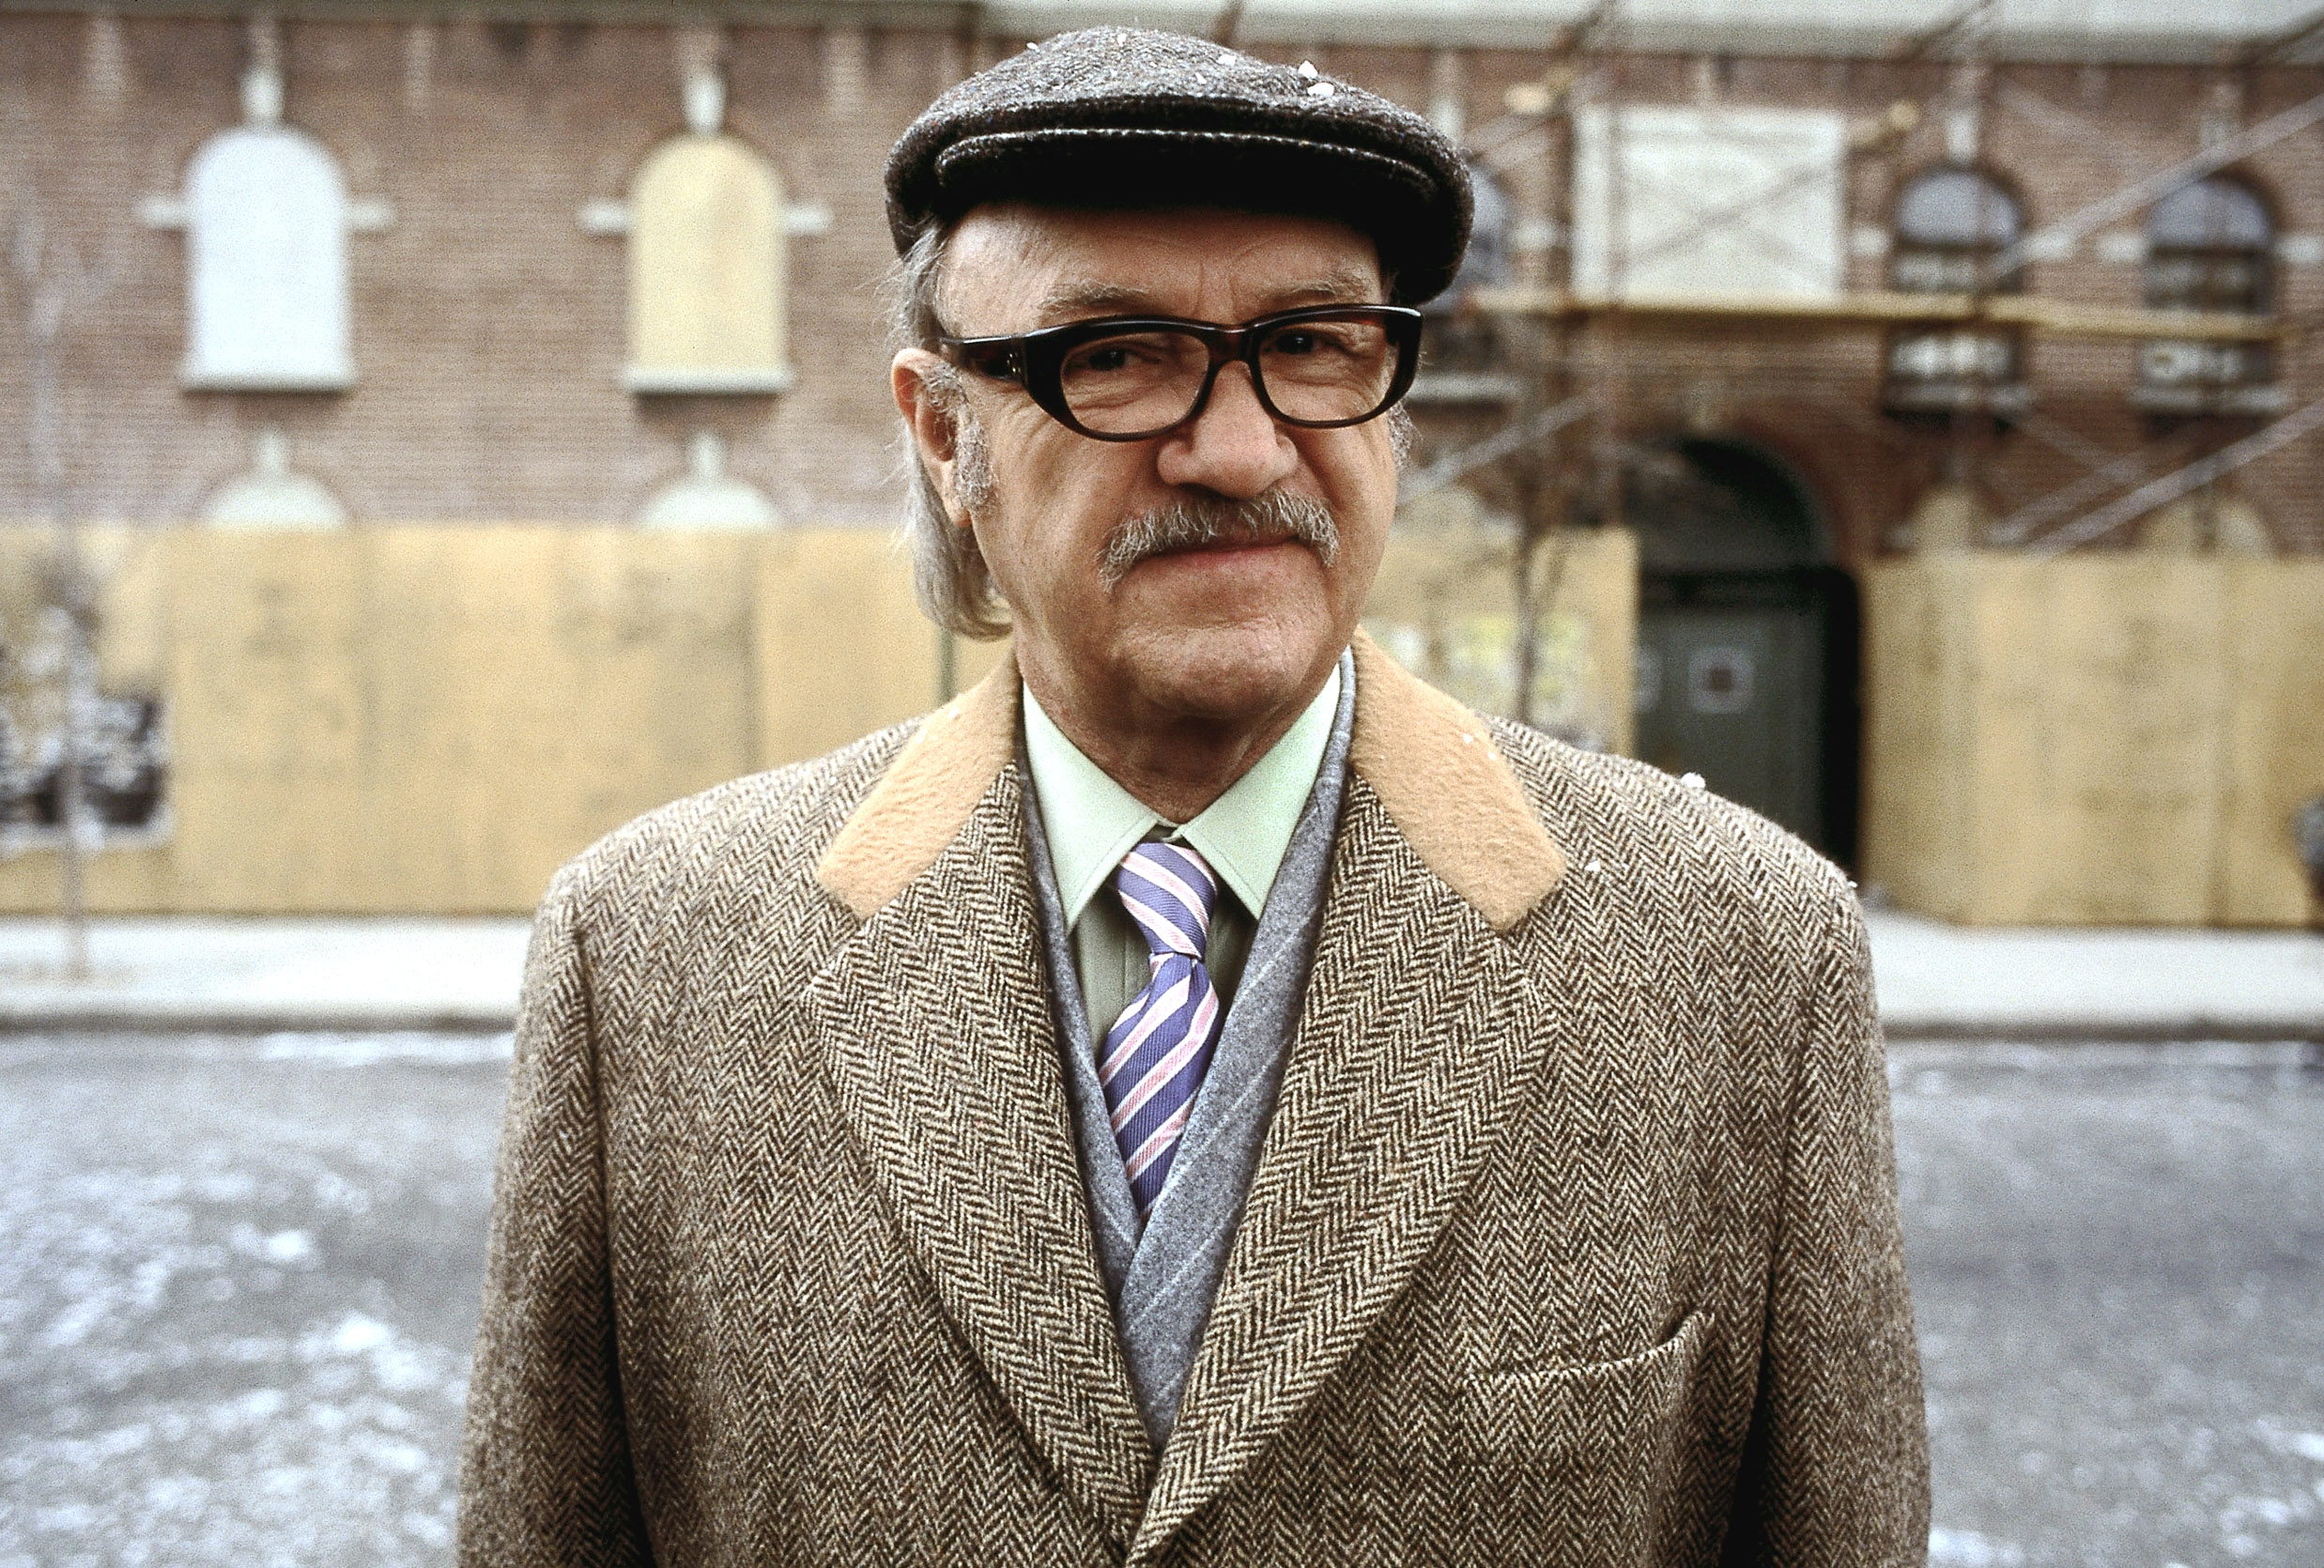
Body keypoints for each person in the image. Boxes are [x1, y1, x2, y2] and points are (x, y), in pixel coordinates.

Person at [459, 27, 1927, 1565]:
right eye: (1114, 353)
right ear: (946, 434)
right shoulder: (648, 962)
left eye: (1313, 344)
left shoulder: (1745, 953)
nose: (1236, 448)